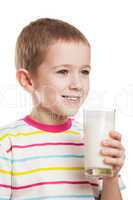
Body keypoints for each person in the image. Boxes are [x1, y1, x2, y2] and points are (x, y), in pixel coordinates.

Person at [0, 18, 125, 200]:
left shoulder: (91, 140)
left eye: (84, 72)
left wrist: (111, 178)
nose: (77, 84)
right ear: (27, 80)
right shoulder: (7, 144)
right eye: (63, 72)